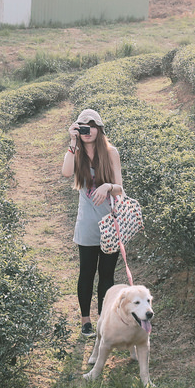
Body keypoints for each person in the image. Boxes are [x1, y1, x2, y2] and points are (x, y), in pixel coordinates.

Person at [60, 108, 124, 337]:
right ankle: (86, 320)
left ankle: (104, 319)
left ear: (99, 129)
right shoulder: (75, 153)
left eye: (92, 126)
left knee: (107, 274)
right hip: (87, 223)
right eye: (83, 127)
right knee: (86, 272)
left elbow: (120, 189)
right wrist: (72, 142)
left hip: (110, 223)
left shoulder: (111, 152)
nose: (88, 131)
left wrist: (107, 186)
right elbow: (66, 173)